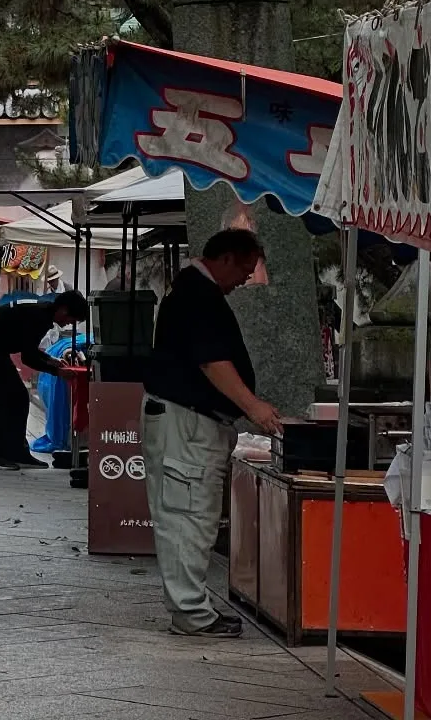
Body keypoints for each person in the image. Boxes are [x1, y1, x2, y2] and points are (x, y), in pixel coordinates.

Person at [142, 230, 286, 639]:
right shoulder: (197, 294)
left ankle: (193, 609)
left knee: (194, 515)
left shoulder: (195, 291)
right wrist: (252, 406)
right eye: (244, 268)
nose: (246, 278)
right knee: (188, 517)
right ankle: (192, 614)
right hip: (186, 422)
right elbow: (212, 362)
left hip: (191, 421)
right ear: (223, 259)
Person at [0, 289, 91, 467]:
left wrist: (51, 360)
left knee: (20, 397)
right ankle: (1, 456)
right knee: (8, 399)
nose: (70, 324)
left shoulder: (42, 313)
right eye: (73, 319)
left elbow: (29, 350)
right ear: (63, 310)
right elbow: (28, 358)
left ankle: (17, 452)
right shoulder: (39, 318)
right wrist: (57, 372)